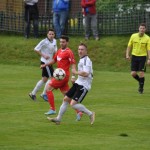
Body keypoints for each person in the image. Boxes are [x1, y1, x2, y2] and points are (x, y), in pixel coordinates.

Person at [47, 43, 95, 125]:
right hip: (78, 83)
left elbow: (86, 73)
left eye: (82, 49)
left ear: (86, 51)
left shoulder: (87, 60)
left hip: (83, 86)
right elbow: (80, 72)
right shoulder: (82, 59)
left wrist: (75, 72)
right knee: (65, 99)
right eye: (79, 49)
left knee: (73, 104)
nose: (80, 51)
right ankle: (58, 119)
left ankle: (91, 113)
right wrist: (74, 78)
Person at [41, 35, 82, 121]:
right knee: (67, 97)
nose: (61, 43)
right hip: (60, 76)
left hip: (63, 76)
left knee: (48, 89)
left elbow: (73, 63)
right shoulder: (59, 51)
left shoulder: (69, 52)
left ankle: (52, 109)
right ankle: (79, 112)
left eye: (63, 42)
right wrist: (45, 64)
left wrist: (73, 76)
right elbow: (54, 60)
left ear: (67, 42)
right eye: (60, 42)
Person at [29, 29, 57, 101]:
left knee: (44, 79)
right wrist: (43, 55)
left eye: (52, 34)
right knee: (52, 78)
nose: (51, 35)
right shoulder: (44, 41)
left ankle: (33, 93)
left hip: (49, 62)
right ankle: (44, 94)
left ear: (54, 35)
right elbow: (36, 49)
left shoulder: (54, 41)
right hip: (45, 62)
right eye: (50, 34)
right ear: (47, 35)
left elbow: (55, 51)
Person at [126, 23, 150, 94]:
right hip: (134, 56)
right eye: (141, 28)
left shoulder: (148, 38)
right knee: (133, 73)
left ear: (145, 30)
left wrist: (149, 59)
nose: (142, 29)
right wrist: (127, 55)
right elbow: (129, 46)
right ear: (138, 29)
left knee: (141, 73)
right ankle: (141, 81)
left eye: (143, 28)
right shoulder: (133, 36)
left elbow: (149, 49)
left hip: (142, 57)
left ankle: (141, 88)